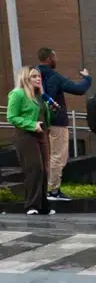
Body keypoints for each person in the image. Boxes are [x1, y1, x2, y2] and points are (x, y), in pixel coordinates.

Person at [36, 47, 90, 202]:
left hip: (38, 121)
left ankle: (44, 188)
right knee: (58, 155)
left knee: (45, 156)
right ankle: (53, 191)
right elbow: (79, 89)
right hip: (56, 121)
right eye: (55, 57)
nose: (56, 60)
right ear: (49, 58)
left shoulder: (33, 75)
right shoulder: (55, 77)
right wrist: (87, 78)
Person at [8, 66, 52, 215]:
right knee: (34, 168)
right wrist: (32, 125)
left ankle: (43, 205)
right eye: (34, 76)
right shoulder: (17, 93)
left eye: (39, 76)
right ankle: (31, 205)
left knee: (45, 170)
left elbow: (44, 115)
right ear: (26, 78)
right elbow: (11, 117)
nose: (38, 79)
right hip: (25, 134)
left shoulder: (39, 95)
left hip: (41, 134)